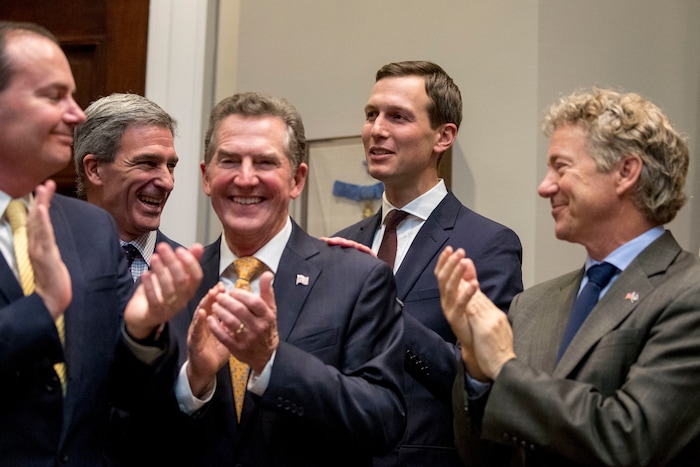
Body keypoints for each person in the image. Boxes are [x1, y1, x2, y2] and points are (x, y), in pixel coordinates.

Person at [436, 87, 700, 466]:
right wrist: (477, 369)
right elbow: (482, 456)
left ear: (626, 172)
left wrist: (504, 367)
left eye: (561, 167)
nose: (545, 187)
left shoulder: (687, 293)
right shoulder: (531, 306)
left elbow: (629, 441)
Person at [144, 91, 405, 466]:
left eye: (265, 162)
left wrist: (272, 362)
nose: (245, 179)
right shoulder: (172, 283)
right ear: (206, 176)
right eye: (229, 161)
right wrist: (194, 381)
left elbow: (383, 423)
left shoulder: (357, 279)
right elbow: (132, 430)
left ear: (297, 180)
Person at [0, 21, 203, 465]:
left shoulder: (88, 229)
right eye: (54, 96)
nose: (75, 115)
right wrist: (43, 307)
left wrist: (140, 330)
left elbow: (123, 393)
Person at [332, 60, 523, 466]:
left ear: (444, 136)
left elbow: (481, 380)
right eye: (371, 115)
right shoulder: (345, 245)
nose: (376, 129)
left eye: (397, 116)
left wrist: (383, 308)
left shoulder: (488, 245)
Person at [73, 92, 182, 281]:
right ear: (94, 169)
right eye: (148, 163)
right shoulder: (45, 262)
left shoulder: (192, 275)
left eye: (170, 166)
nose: (167, 182)